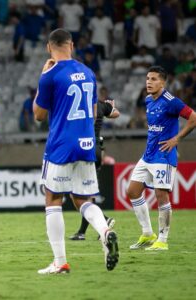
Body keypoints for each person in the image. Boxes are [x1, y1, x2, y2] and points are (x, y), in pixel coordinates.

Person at [33, 29, 119, 275]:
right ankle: (105, 232)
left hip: (61, 145)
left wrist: (42, 76)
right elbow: (93, 112)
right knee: (82, 199)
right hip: (86, 143)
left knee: (53, 199)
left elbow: (38, 116)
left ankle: (60, 262)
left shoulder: (50, 75)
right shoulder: (89, 73)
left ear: (50, 48)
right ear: (71, 44)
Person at [127, 66, 196, 251]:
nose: (149, 82)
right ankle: (148, 234)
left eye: (154, 79)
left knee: (161, 195)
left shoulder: (171, 101)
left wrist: (177, 139)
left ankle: (162, 241)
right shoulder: (148, 100)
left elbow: (193, 118)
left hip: (164, 156)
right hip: (148, 155)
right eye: (148, 78)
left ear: (163, 82)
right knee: (132, 191)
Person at [69, 87, 120, 240]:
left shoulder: (79, 108)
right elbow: (116, 113)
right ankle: (84, 231)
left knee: (78, 193)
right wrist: (110, 107)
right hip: (97, 150)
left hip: (83, 149)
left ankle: (103, 220)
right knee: (87, 193)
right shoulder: (101, 105)